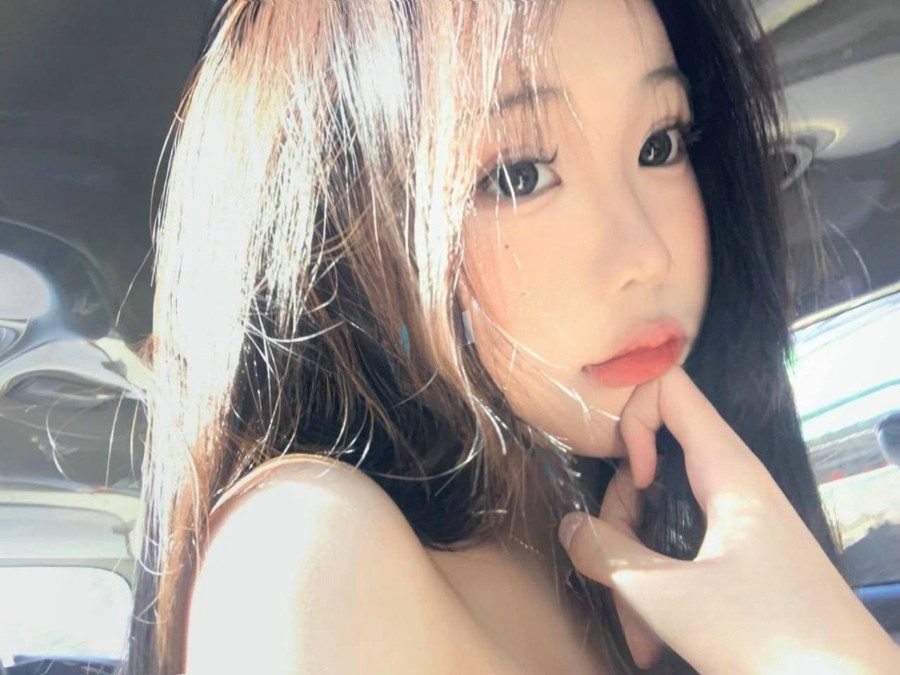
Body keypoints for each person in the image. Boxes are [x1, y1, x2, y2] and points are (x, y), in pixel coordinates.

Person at [122, 0, 900, 673]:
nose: (645, 253)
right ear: (347, 238)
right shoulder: (304, 549)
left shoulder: (620, 543)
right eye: (517, 176)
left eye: (660, 143)